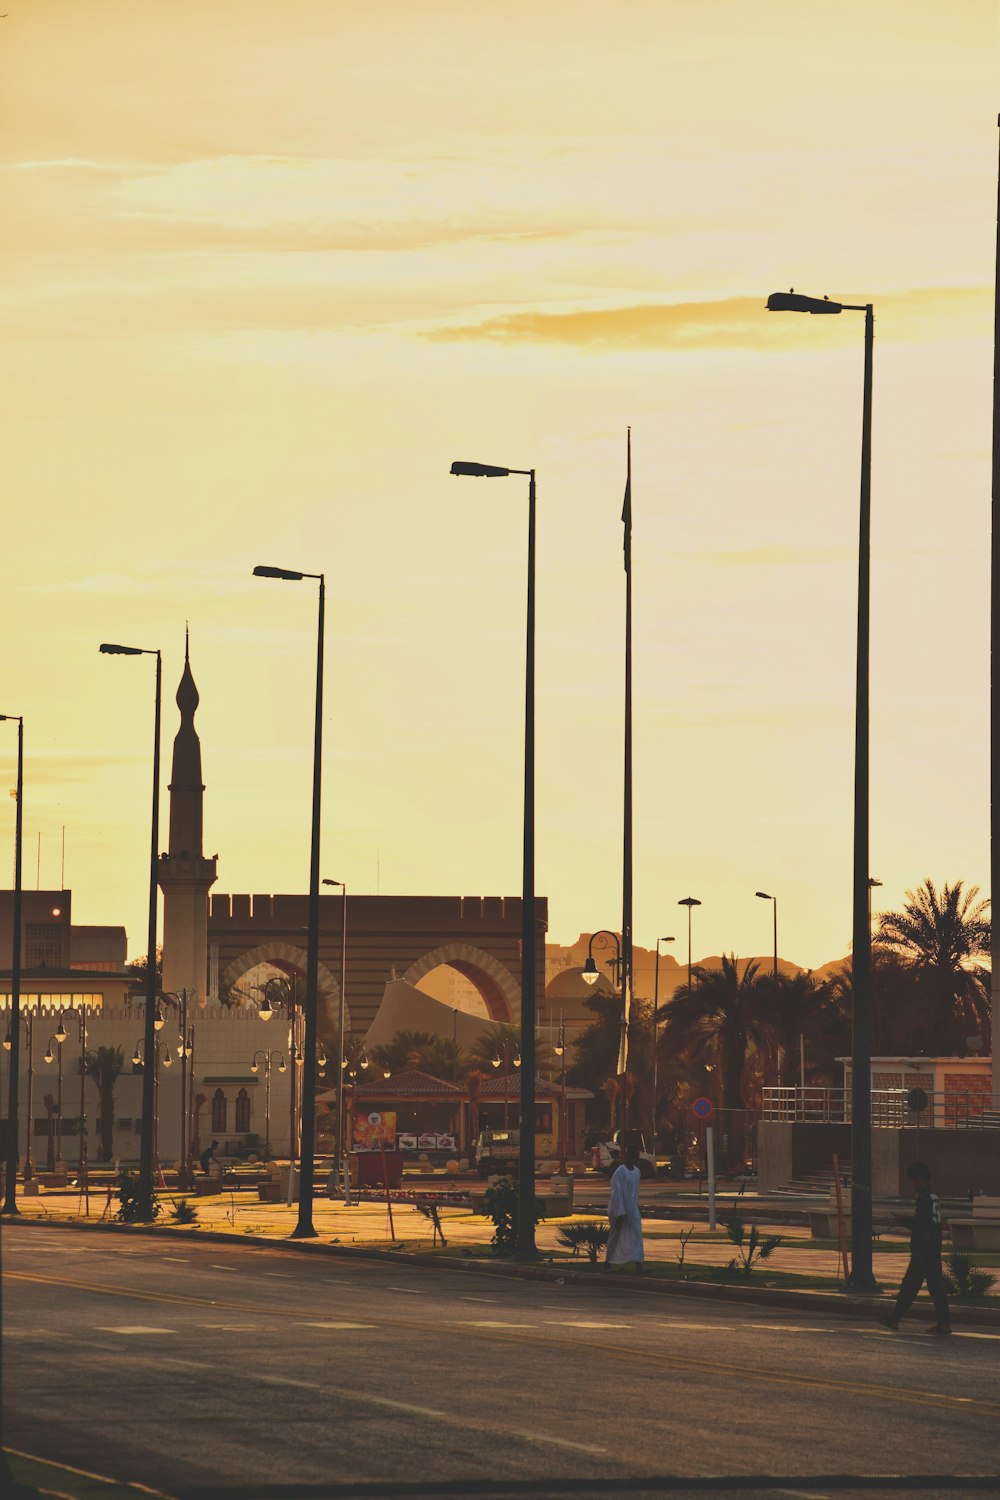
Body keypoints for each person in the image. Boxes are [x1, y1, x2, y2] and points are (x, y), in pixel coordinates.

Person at [883, 1161, 951, 1336]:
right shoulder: (934, 1196)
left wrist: (904, 1220)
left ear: (921, 1179)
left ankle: (894, 1319)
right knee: (937, 1288)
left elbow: (920, 1224)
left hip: (923, 1248)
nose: (913, 1183)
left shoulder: (924, 1198)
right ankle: (944, 1324)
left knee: (909, 1285)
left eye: (915, 1180)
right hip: (934, 1247)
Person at [606, 1134, 644, 1272]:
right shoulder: (620, 1172)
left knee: (637, 1235)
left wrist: (636, 1209)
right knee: (615, 1236)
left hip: (633, 1211)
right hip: (619, 1211)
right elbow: (617, 1193)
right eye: (636, 1155)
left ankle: (639, 1263)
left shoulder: (637, 1172)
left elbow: (635, 1193)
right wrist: (620, 1212)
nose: (638, 1158)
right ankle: (608, 1262)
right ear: (629, 1156)